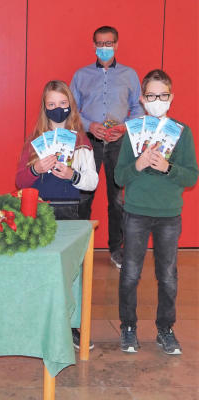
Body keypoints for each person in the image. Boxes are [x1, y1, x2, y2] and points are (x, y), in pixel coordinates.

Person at [115, 69, 198, 354]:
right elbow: (118, 177)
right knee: (130, 273)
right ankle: (128, 327)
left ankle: (165, 329)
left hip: (169, 215)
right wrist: (137, 165)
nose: (157, 100)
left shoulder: (182, 132)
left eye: (163, 95)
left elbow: (191, 177)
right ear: (142, 98)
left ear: (171, 97)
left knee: (168, 275)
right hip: (136, 211)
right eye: (151, 95)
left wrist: (168, 168)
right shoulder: (132, 131)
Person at [16, 80, 99, 350]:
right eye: (51, 105)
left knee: (70, 272)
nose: (58, 109)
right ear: (44, 107)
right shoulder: (34, 141)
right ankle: (37, 322)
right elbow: (19, 182)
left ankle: (72, 327)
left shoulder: (81, 141)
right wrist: (36, 168)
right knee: (39, 268)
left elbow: (92, 182)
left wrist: (72, 175)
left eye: (63, 104)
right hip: (39, 212)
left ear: (71, 106)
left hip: (69, 212)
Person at [70, 26, 144, 269]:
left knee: (118, 200)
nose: (104, 48)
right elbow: (71, 110)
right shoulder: (81, 75)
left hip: (119, 143)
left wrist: (123, 127)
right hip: (88, 142)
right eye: (100, 44)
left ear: (117, 44)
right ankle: (78, 248)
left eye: (109, 43)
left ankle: (116, 249)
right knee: (83, 197)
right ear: (94, 46)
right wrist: (89, 125)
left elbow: (138, 108)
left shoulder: (130, 75)